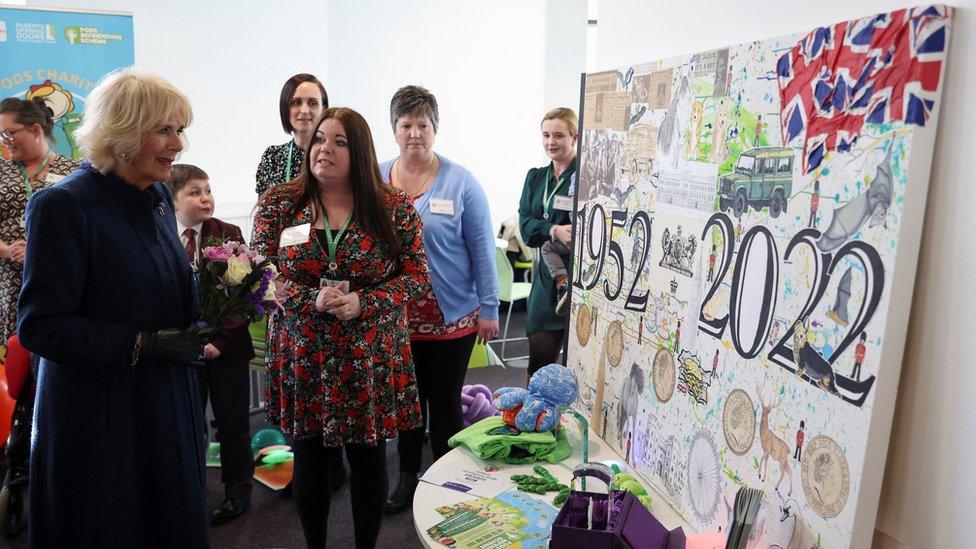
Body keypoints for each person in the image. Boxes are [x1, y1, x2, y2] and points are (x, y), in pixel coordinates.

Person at [17, 69, 208, 547]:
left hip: (164, 403)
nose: (178, 144)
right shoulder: (63, 206)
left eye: (179, 129)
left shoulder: (158, 197)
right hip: (102, 419)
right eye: (163, 130)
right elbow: (43, 327)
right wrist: (142, 344)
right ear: (122, 133)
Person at [251, 107, 427, 548]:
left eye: (339, 142)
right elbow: (259, 270)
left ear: (360, 151)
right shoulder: (279, 203)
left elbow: (417, 275)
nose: (324, 150)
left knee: (368, 459)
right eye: (320, 140)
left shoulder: (393, 207)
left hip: (367, 354)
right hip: (303, 351)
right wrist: (305, 297)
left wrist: (366, 302)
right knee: (309, 459)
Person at [378, 85, 500, 514]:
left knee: (444, 399)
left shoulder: (460, 181)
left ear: (435, 129)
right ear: (394, 129)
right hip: (395, 316)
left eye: (422, 125)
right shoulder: (376, 177)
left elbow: (483, 248)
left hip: (453, 317)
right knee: (407, 402)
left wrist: (490, 307)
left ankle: (447, 479)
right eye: (406, 125)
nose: (415, 133)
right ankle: (408, 476)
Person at [0, 96, 80, 537]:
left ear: (36, 129)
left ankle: (61, 466)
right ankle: (19, 473)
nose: (5, 141)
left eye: (11, 132)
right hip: (12, 292)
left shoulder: (73, 171)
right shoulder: (0, 173)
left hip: (63, 290)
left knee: (57, 374)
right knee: (19, 383)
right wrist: (8, 249)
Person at [168, 163, 255, 524]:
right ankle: (189, 491)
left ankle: (238, 492)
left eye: (208, 190)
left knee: (231, 422)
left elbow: (246, 296)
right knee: (187, 424)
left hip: (228, 350)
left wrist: (219, 341)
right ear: (173, 200)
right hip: (181, 351)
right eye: (194, 192)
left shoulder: (229, 234)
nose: (205, 198)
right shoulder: (162, 235)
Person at [519, 108, 578, 380]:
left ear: (574, 137)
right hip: (546, 278)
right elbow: (526, 229)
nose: (551, 142)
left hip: (581, 276)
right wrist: (553, 228)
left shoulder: (586, 176)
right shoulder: (535, 178)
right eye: (546, 135)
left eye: (558, 135)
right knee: (539, 369)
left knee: (579, 370)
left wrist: (546, 231)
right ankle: (531, 421)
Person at [255, 73, 328, 195]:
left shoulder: (332, 154)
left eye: (313, 103)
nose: (304, 110)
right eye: (296, 102)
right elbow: (263, 211)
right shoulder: (273, 157)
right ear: (285, 108)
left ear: (324, 109)